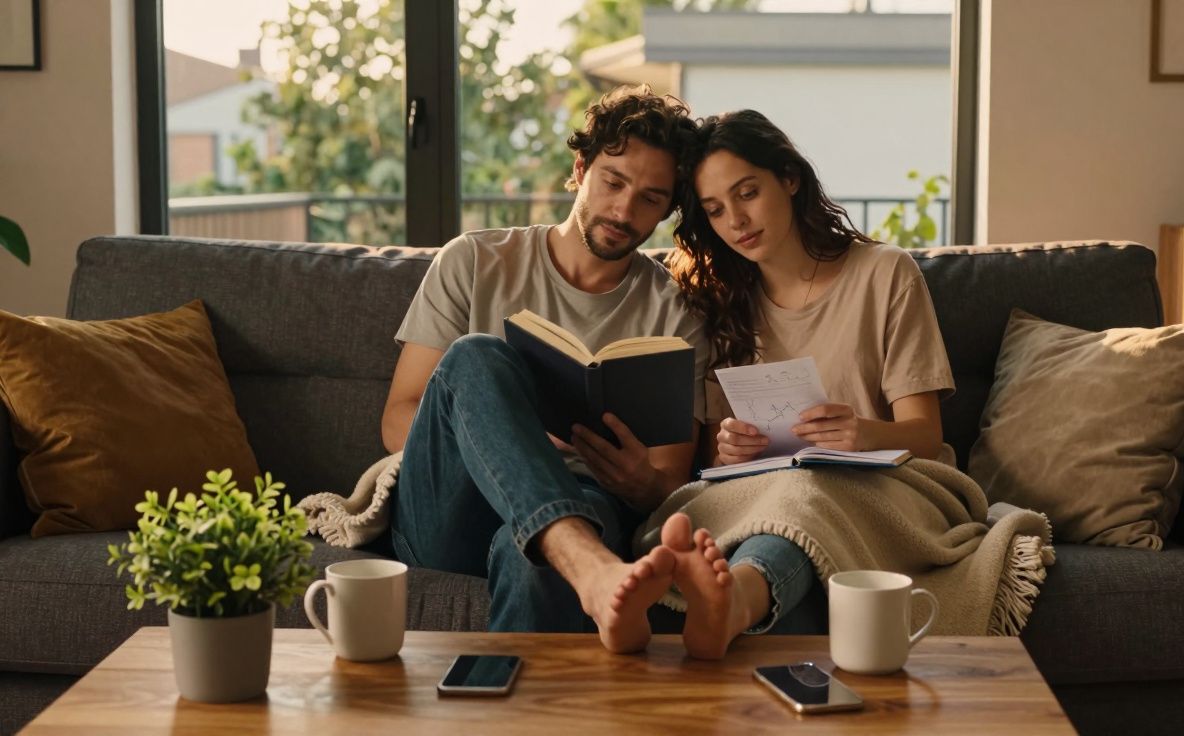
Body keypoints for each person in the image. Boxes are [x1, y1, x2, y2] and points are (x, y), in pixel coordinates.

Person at [382, 85, 708, 654]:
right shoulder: (473, 260)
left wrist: (640, 480)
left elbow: (670, 477)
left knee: (534, 557)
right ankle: (589, 567)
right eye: (613, 182)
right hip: (453, 504)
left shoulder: (675, 310)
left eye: (651, 199)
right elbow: (397, 418)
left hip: (588, 496)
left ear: (667, 210)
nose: (624, 211)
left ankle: (565, 570)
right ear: (580, 169)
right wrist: (507, 437)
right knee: (476, 355)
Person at [621, 109, 956, 659]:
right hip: (772, 493)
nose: (737, 220)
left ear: (790, 178)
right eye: (715, 210)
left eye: (748, 193)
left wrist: (863, 434)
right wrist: (729, 449)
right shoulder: (718, 303)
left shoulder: (885, 273)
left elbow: (925, 435)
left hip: (890, 488)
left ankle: (733, 601)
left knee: (807, 490)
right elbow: (713, 458)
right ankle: (739, 614)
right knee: (784, 500)